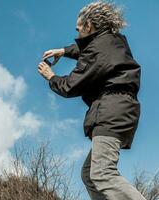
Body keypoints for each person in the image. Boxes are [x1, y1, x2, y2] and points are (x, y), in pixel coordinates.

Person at [38, 1, 146, 200]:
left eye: (79, 30)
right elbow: (88, 48)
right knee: (89, 174)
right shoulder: (113, 41)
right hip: (122, 109)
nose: (78, 34)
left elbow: (70, 86)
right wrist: (64, 50)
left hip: (111, 112)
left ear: (89, 26)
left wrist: (51, 76)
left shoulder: (97, 49)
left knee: (102, 174)